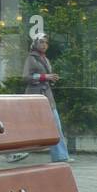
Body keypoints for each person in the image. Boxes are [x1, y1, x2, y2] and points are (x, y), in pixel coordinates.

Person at [20, 34, 73, 163]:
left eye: (46, 43)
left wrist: (51, 79)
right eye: (41, 42)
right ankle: (18, 150)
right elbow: (26, 77)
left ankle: (60, 156)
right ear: (35, 44)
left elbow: (44, 77)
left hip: (47, 97)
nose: (44, 45)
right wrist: (45, 77)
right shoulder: (31, 58)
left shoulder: (45, 59)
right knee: (27, 126)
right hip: (35, 97)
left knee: (55, 125)